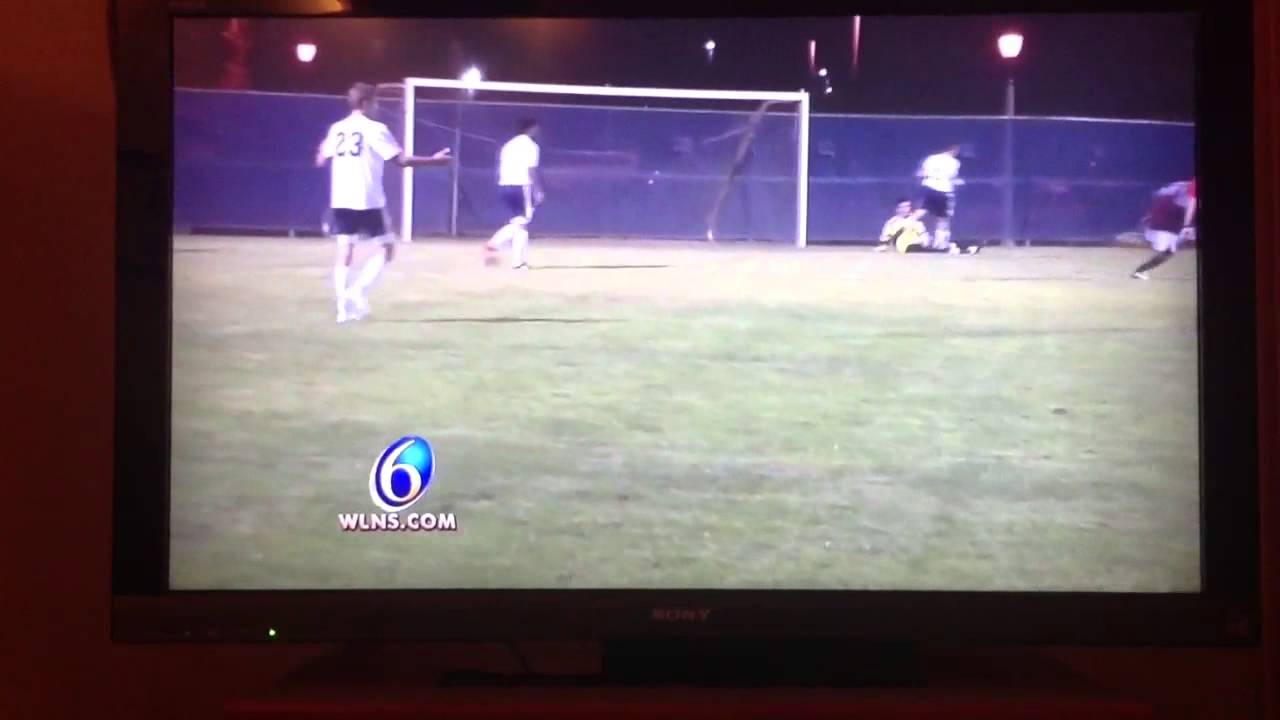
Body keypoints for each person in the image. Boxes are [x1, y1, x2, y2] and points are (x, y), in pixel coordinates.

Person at [315, 82, 452, 323]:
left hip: (341, 198)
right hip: (368, 199)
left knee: (345, 251)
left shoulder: (337, 128)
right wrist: (434, 160)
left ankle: (341, 310)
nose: (378, 107)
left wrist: (323, 151)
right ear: (367, 103)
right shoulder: (375, 128)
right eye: (376, 102)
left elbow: (320, 158)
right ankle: (358, 292)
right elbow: (400, 160)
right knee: (387, 249)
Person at [485, 118, 544, 269]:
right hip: (521, 185)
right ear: (531, 129)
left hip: (505, 185)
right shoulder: (531, 146)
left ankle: (515, 261)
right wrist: (537, 190)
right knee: (522, 222)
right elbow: (531, 170)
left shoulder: (508, 145)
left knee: (519, 222)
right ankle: (496, 244)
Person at [1131, 178, 1196, 280]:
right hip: (1168, 219)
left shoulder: (1182, 186)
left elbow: (1161, 196)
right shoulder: (1189, 187)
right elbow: (1192, 204)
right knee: (1168, 251)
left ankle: (1140, 271)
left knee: (1169, 251)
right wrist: (1187, 225)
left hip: (1167, 217)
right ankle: (1140, 271)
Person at [877, 198, 979, 254]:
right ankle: (965, 251)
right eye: (902, 207)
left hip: (921, 244)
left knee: (944, 243)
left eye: (907, 206)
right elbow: (885, 238)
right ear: (897, 209)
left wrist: (926, 241)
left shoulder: (916, 222)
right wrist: (883, 247)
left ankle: (972, 245)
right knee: (936, 249)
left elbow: (923, 235)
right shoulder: (892, 222)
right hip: (907, 247)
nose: (905, 209)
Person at [911, 145, 964, 251]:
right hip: (943, 190)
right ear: (953, 150)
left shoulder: (931, 158)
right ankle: (940, 244)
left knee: (921, 211)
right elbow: (952, 177)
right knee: (943, 218)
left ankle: (902, 228)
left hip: (928, 187)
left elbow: (921, 173)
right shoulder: (955, 163)